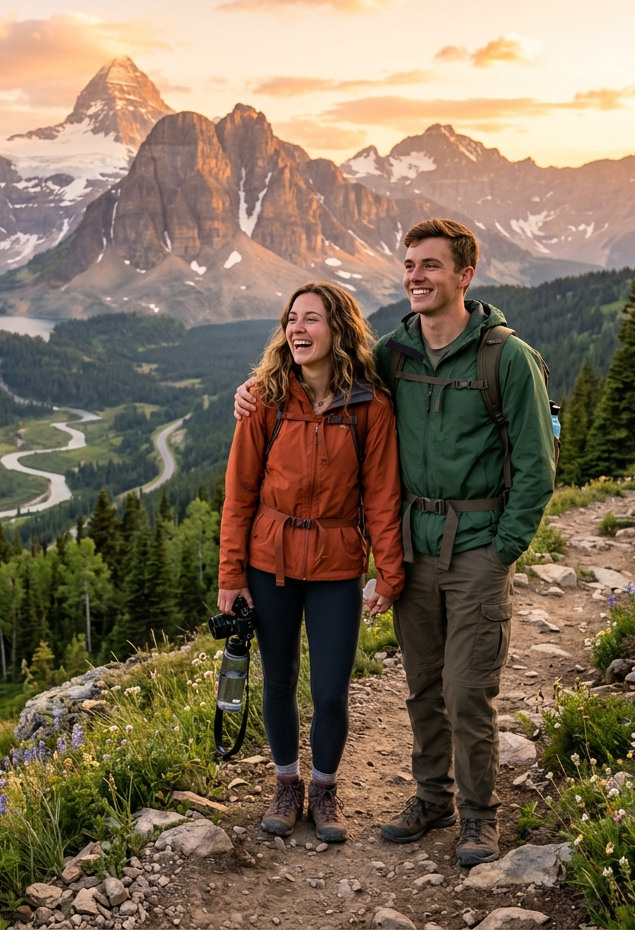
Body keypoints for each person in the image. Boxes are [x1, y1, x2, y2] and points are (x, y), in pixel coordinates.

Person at [235, 219, 555, 866]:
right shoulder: (396, 355)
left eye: (431, 266)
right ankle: (431, 797)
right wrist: (252, 388)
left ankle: (478, 817)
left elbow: (537, 465)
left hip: (476, 548)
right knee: (421, 684)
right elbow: (325, 371)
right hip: (414, 546)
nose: (416, 276)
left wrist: (504, 549)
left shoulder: (506, 358)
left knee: (467, 689)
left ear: (465, 275)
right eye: (410, 264)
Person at [219, 281, 405, 844]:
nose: (298, 329)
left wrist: (389, 572)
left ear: (339, 330)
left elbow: (382, 497)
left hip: (336, 565)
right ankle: (286, 784)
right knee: (278, 682)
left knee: (329, 689)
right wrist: (231, 575)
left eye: (312, 319)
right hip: (268, 562)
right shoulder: (264, 400)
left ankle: (323, 789)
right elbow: (239, 495)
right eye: (291, 319)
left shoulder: (370, 407)